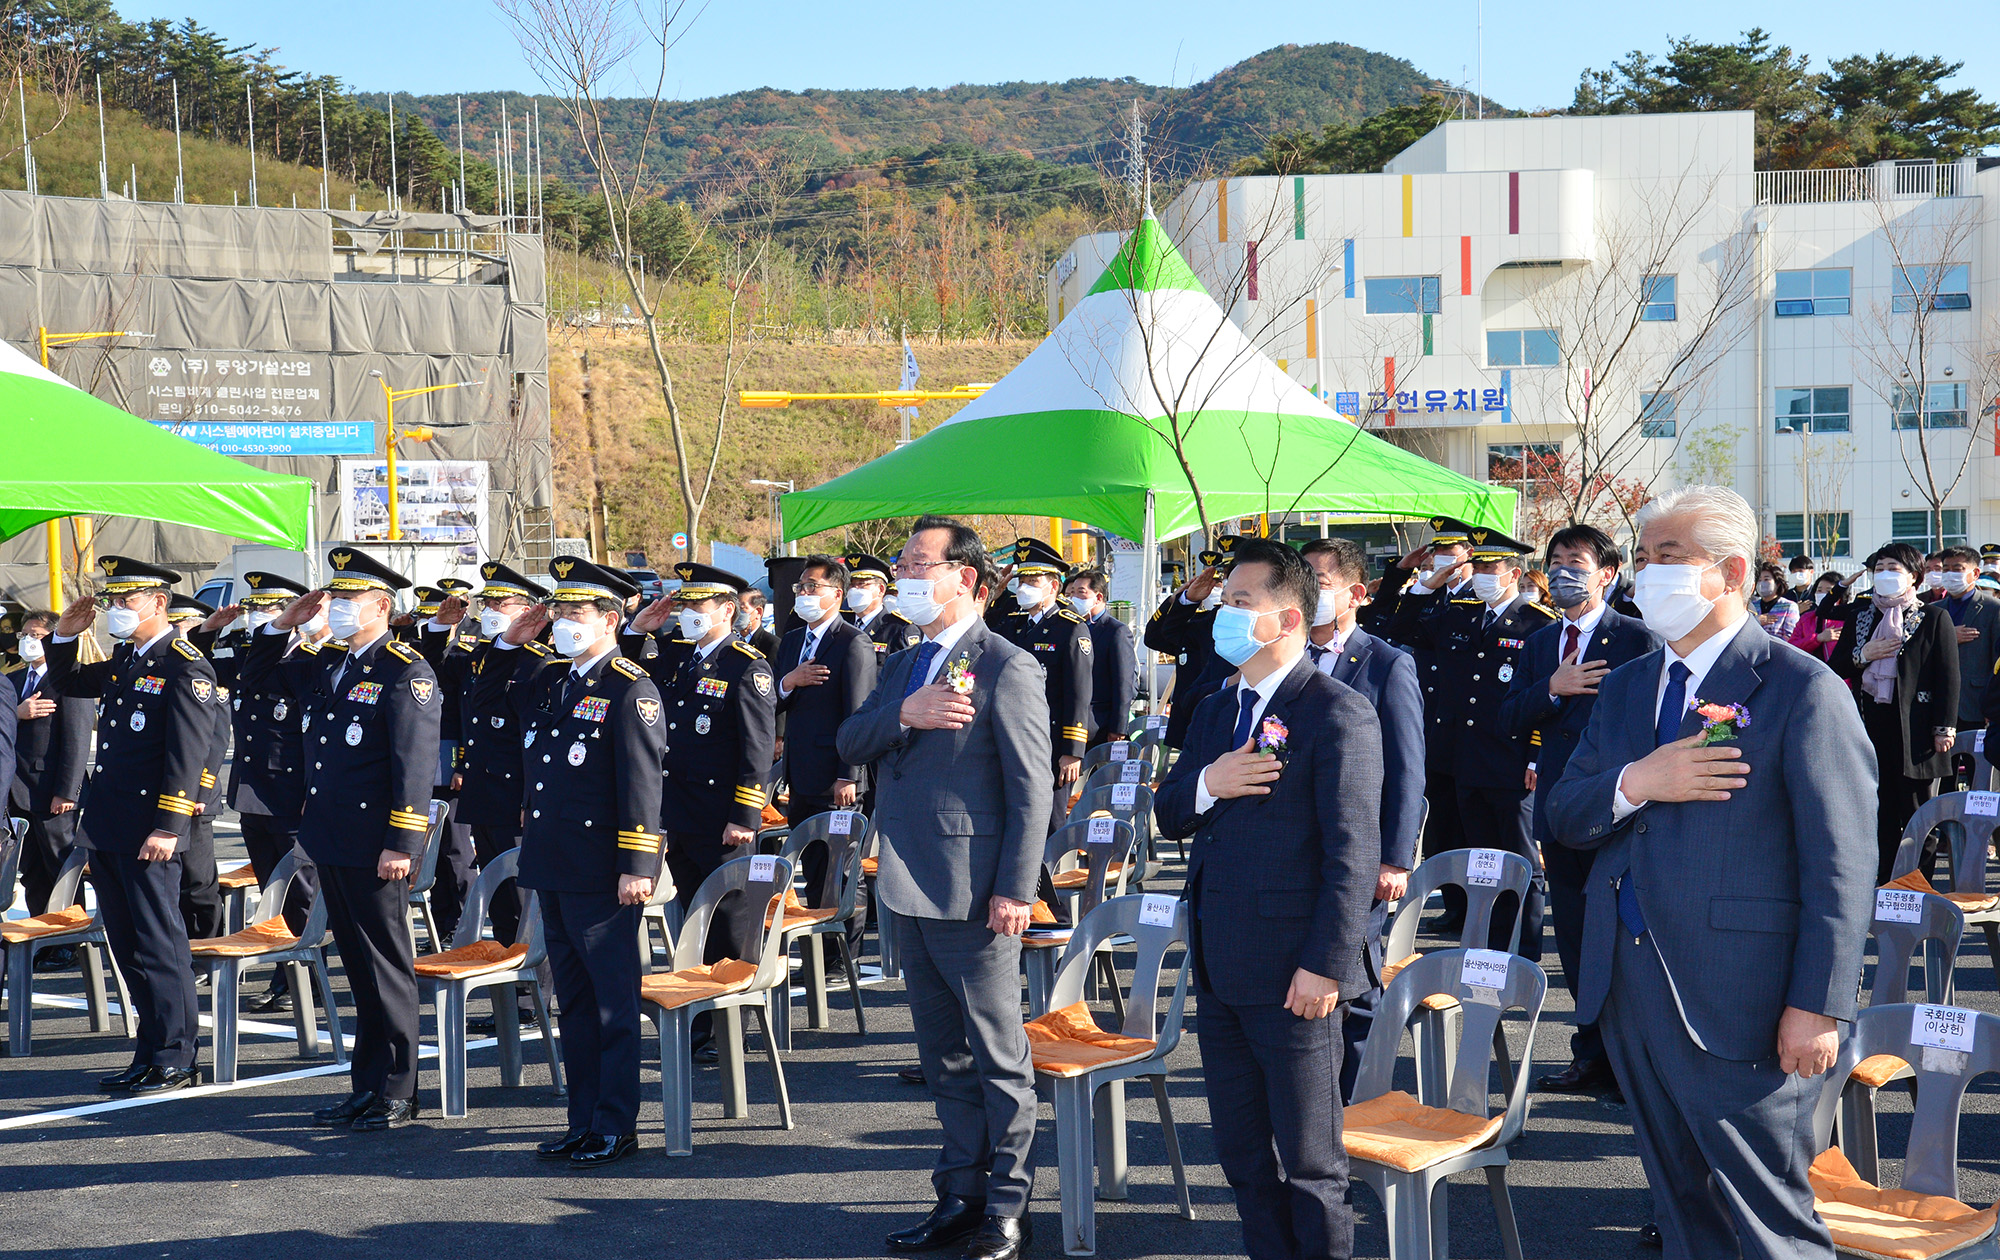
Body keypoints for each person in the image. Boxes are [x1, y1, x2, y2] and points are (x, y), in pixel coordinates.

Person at [1548, 484, 1876, 1260]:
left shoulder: (1802, 689)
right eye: (1642, 556)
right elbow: (1564, 814)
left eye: (1668, 557)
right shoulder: (1628, 683)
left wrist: (1819, 1004)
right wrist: (1638, 782)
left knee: (1768, 1221)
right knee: (1681, 1211)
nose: (1645, 572)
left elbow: (1842, 863)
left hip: (1744, 997)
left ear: (1730, 573)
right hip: (1628, 987)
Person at [1154, 536, 1383, 1260]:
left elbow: (1353, 855)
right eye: (1225, 600)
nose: (1224, 613)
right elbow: (1171, 813)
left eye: (1241, 603)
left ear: (1287, 621)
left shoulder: (1336, 711)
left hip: (1296, 975)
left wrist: (1326, 965)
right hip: (1222, 965)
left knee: (1312, 1163)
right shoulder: (1219, 709)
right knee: (1244, 1157)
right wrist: (1206, 783)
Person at [836, 515, 1052, 1260]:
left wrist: (1016, 890)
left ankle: (1008, 1207)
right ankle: (958, 1193)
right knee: (943, 1059)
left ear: (965, 576)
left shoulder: (1006, 665)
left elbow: (1032, 792)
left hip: (976, 891)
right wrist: (906, 712)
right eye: (903, 561)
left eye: (919, 562)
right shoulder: (902, 662)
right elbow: (849, 739)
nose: (904, 573)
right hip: (905, 883)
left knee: (998, 1059)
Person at [248, 547, 442, 1131]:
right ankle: (367, 1084)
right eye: (331, 599)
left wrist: (403, 844)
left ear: (382, 605)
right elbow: (255, 677)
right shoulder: (332, 662)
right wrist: (283, 623)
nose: (332, 610)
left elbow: (413, 766)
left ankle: (401, 1088)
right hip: (332, 836)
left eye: (346, 600)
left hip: (376, 843)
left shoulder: (406, 670)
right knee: (357, 965)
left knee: (386, 964)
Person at [486, 559, 665, 1169]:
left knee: (614, 1004)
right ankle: (583, 1120)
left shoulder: (629, 687)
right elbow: (485, 701)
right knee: (575, 1003)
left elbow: (641, 784)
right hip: (554, 863)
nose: (561, 623)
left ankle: (617, 1124)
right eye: (558, 612)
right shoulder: (554, 680)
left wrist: (638, 864)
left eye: (575, 613)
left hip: (603, 870)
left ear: (611, 619)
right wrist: (512, 641)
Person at [1499, 524, 1657, 1101]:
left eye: (1579, 561)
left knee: (1626, 938)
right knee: (1573, 938)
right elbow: (1509, 715)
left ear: (1607, 573)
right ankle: (1590, 1055)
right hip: (1561, 813)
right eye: (1558, 559)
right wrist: (1554, 687)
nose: (1565, 571)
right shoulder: (1540, 642)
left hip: (1622, 808)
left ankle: (1635, 1059)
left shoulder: (1638, 638)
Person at [46, 557, 213, 1094]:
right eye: (112, 600)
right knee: (127, 945)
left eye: (126, 600)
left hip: (150, 830)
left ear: (158, 602)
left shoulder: (185, 664)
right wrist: (65, 636)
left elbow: (187, 756)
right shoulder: (125, 658)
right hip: (112, 827)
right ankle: (150, 1050)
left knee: (160, 944)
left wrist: (169, 826)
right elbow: (68, 681)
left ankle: (177, 1055)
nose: (115, 610)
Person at [1387, 524, 1555, 953]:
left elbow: (1547, 695)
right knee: (1480, 862)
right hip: (1464, 760)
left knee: (1520, 861)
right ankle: (1485, 943)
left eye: (1490, 565)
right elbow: (1402, 627)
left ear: (1513, 573)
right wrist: (1429, 583)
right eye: (1476, 564)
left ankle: (1525, 948)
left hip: (1512, 761)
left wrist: (1537, 755)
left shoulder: (1539, 624)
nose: (1479, 572)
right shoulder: (1459, 613)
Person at [1299, 536, 1422, 1103]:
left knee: (1352, 981)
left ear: (1356, 594)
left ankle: (1358, 1112)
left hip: (1360, 853)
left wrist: (1396, 856)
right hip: (1297, 851)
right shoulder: (1284, 656)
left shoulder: (1386, 663)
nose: (1305, 594)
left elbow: (1406, 768)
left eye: (1318, 583)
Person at [640, 562, 777, 984]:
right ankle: (699, 1017)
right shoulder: (676, 655)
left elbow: (757, 749)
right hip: (678, 812)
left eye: (699, 603)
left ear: (726, 610)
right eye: (685, 603)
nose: (688, 612)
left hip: (721, 818)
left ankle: (730, 1021)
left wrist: (745, 817)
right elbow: (626, 673)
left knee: (728, 919)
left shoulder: (745, 665)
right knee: (693, 918)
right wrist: (636, 629)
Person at [209, 572, 324, 1013]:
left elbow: (315, 736)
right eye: (257, 608)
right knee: (270, 887)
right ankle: (285, 972)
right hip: (253, 791)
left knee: (300, 890)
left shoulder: (312, 659)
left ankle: (305, 977)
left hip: (292, 794)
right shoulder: (249, 656)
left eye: (272, 609)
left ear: (295, 616)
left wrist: (312, 790)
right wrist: (207, 631)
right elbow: (195, 666)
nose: (262, 616)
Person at [426, 562, 553, 956]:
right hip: (484, 794)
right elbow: (436, 670)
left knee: (525, 903)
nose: (492, 610)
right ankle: (510, 998)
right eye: (489, 602)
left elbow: (538, 745)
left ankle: (533, 998)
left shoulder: (541, 663)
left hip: (516, 797)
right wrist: (436, 628)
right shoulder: (484, 654)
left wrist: (527, 799)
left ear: (529, 610)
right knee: (500, 900)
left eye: (503, 602)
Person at [1370, 517, 1478, 926]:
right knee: (1439, 830)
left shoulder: (1479, 600)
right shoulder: (1427, 598)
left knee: (1470, 828)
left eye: (1452, 552)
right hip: (1425, 726)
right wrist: (1406, 578)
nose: (1442, 560)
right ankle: (1453, 908)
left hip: (1464, 733)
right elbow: (1384, 625)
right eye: (1437, 552)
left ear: (1471, 556)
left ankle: (1478, 913)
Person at [1831, 543, 1959, 883]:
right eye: (1880, 568)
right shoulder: (1861, 616)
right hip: (1871, 726)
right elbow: (1836, 665)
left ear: (1913, 576)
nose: (1885, 575)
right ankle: (1886, 886)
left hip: (1916, 731)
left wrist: (1944, 727)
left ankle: (1918, 886)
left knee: (1918, 813)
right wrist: (1865, 652)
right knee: (1880, 813)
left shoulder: (1933, 617)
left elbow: (1948, 676)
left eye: (1894, 568)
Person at [776, 555, 878, 963]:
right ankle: (816, 957)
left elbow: (858, 714)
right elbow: (775, 698)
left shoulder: (852, 642)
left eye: (812, 587)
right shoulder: (792, 640)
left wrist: (848, 775)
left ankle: (843, 958)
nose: (803, 594)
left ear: (837, 594)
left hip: (838, 776)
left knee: (841, 870)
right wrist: (789, 680)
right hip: (800, 773)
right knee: (812, 867)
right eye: (800, 587)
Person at [7, 609, 90, 969]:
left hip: (52, 791)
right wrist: (16, 712)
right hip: (16, 792)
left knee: (61, 866)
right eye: (25, 634)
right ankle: (45, 934)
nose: (28, 641)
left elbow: (77, 737)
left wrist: (68, 791)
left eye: (37, 635)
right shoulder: (12, 681)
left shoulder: (68, 678)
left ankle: (70, 939)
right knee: (33, 872)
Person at [996, 538, 1092, 828]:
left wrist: (1072, 751)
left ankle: (1050, 873)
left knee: (1048, 821)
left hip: (1050, 741)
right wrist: (997, 596)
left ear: (1053, 586)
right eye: (1021, 579)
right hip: (1012, 736)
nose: (1024, 587)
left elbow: (1078, 692)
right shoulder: (1012, 623)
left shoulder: (1071, 628)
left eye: (1033, 580)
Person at [1143, 540, 1237, 750]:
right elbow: (1156, 637)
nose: (1225, 585)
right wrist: (1185, 600)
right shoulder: (1204, 623)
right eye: (1225, 578)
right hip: (1193, 727)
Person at [1931, 546, 2000, 768]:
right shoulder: (1931, 610)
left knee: (1978, 771)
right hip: (1939, 704)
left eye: (1958, 569)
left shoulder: (1993, 608)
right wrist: (1948, 637)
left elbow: (1996, 659)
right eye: (1946, 569)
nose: (1951, 574)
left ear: (1975, 573)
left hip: (1977, 703)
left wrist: (1993, 705)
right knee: (1943, 775)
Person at [1063, 567, 1137, 746]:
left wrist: (1118, 727)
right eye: (1071, 593)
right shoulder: (1070, 626)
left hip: (1099, 724)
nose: (1074, 599)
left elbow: (1124, 683)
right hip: (1071, 722)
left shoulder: (1115, 631)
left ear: (1098, 597)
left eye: (1081, 593)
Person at [845, 551, 924, 656]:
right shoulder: (842, 622)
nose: (855, 589)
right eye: (852, 585)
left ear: (881, 590)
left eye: (861, 584)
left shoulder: (899, 629)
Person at [1786, 572, 1845, 664]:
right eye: (1819, 590)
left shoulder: (1846, 619)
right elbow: (1791, 647)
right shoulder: (1806, 618)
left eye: (1829, 591)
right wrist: (1817, 638)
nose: (1823, 594)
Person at [1751, 563, 1800, 641]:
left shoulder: (1788, 606)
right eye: (1759, 580)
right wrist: (1757, 620)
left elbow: (1791, 636)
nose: (1762, 583)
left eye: (1766, 579)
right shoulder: (1751, 606)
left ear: (1777, 584)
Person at [740, 588, 781, 661]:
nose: (737, 614)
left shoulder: (772, 644)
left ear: (758, 612)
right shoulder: (731, 641)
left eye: (741, 608)